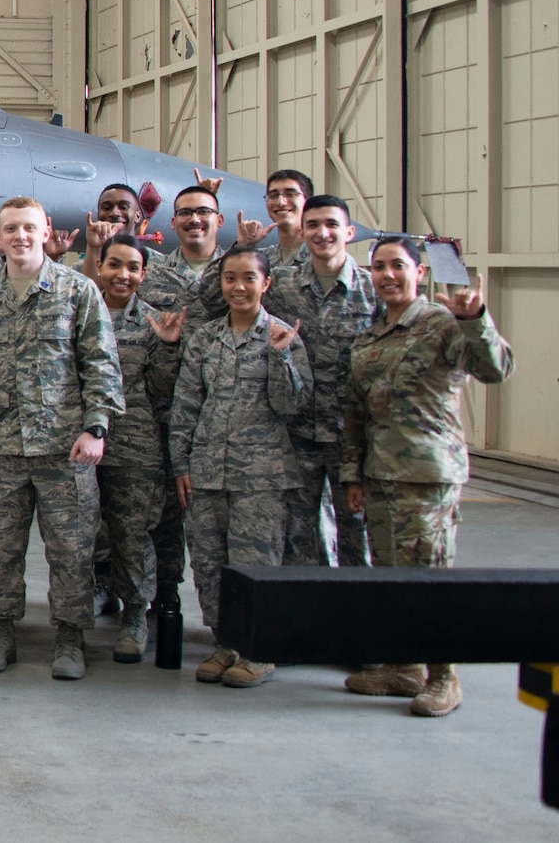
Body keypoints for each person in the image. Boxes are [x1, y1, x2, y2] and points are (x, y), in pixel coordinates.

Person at [0, 196, 122, 680]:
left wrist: (96, 426)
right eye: (10, 228)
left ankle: (70, 639)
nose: (20, 237)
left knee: (71, 549)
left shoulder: (78, 292)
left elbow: (101, 364)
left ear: (45, 229)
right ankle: (0, 632)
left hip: (64, 446)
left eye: (29, 228)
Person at [339, 240, 513, 715]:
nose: (387, 275)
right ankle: (402, 666)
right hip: (380, 474)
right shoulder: (371, 335)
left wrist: (476, 318)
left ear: (418, 271)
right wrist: (353, 474)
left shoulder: (441, 324)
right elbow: (356, 413)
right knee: (390, 577)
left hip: (428, 473)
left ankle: (444, 676)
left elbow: (494, 368)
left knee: (430, 578)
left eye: (398, 265)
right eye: (378, 267)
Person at [168, 245, 310, 689]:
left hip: (261, 476)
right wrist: (181, 463)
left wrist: (282, 358)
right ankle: (226, 642)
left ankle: (258, 648)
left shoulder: (282, 336)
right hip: (208, 470)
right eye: (231, 278)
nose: (239, 287)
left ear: (265, 283)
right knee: (211, 564)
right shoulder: (205, 338)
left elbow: (293, 406)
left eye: (249, 278)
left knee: (255, 562)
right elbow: (187, 403)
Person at [263, 195, 378, 567]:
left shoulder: (372, 290)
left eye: (331, 224)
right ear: (302, 230)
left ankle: (356, 616)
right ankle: (307, 617)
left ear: (349, 232)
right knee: (296, 532)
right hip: (297, 435)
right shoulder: (281, 286)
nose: (322, 233)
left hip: (351, 438)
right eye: (313, 225)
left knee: (356, 532)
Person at [91, 233, 182, 662]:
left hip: (135, 445)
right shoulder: (78, 315)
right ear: (99, 268)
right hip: (82, 443)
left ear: (143, 275)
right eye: (115, 265)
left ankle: (134, 614)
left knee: (131, 536)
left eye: (132, 267)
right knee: (82, 533)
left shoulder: (154, 323)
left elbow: (163, 389)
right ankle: (88, 600)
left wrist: (166, 348)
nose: (122, 275)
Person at [140, 183, 226, 609]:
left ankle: (231, 612)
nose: (195, 220)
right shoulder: (152, 273)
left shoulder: (238, 271)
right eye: (186, 213)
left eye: (204, 211)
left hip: (222, 416)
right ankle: (164, 598)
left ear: (218, 220)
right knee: (162, 516)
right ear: (172, 222)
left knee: (219, 521)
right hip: (162, 410)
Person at [229, 169, 314, 272]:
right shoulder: (262, 259)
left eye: (290, 194)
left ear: (308, 201)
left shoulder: (320, 257)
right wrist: (242, 246)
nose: (281, 202)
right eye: (273, 196)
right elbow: (213, 284)